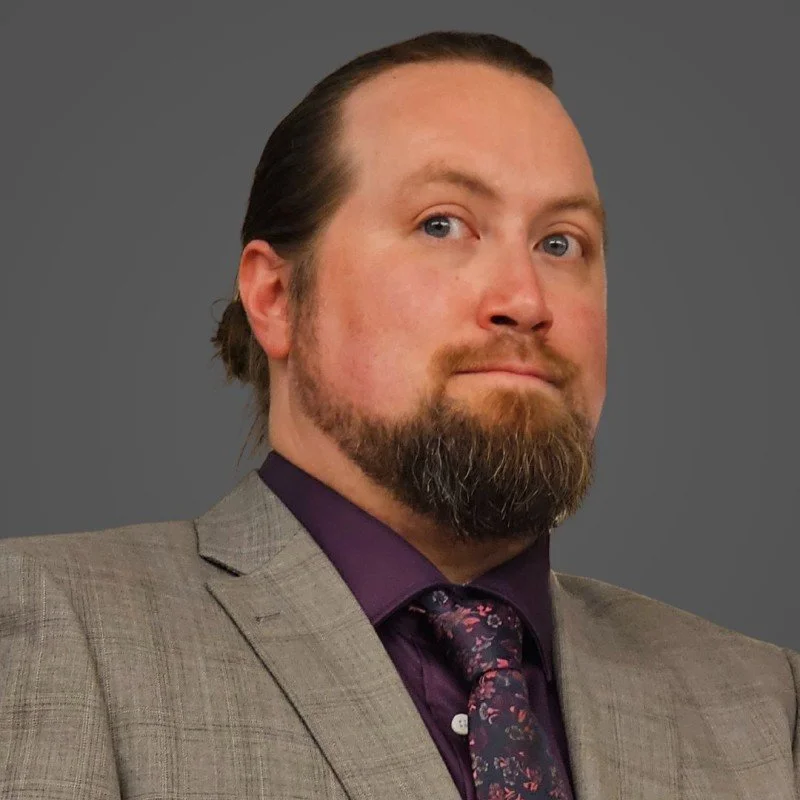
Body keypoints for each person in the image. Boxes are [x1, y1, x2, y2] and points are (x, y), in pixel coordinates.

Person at [0, 29, 797, 800]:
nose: (525, 300)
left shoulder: (764, 702)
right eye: (442, 224)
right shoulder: (56, 629)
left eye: (562, 243)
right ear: (276, 298)